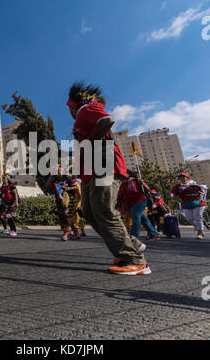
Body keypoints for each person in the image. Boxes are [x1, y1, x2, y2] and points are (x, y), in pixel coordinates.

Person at [66, 81, 151, 275]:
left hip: (103, 167)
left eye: (69, 107)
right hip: (90, 173)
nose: (68, 111)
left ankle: (135, 261)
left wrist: (88, 143)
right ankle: (131, 245)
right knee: (90, 212)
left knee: (103, 210)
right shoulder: (81, 116)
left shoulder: (85, 109)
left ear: (75, 104)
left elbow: (107, 120)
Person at [117, 171, 160, 241]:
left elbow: (147, 189)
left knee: (136, 217)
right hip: (130, 204)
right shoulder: (122, 184)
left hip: (139, 201)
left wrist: (142, 183)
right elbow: (121, 196)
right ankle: (153, 234)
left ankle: (134, 236)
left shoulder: (135, 180)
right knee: (143, 219)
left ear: (128, 174)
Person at [171, 172, 207, 239]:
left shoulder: (193, 184)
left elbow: (202, 191)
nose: (182, 178)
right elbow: (173, 192)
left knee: (198, 217)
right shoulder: (178, 186)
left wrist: (199, 192)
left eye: (183, 177)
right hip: (186, 204)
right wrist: (172, 195)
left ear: (187, 178)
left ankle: (200, 233)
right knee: (189, 219)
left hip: (198, 203)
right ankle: (200, 229)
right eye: (180, 177)